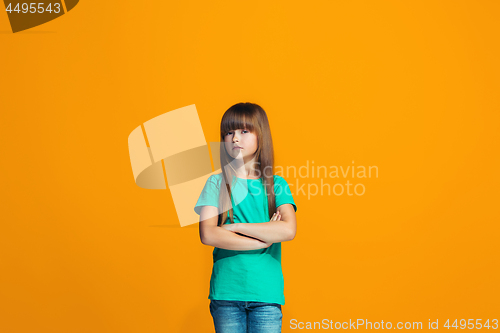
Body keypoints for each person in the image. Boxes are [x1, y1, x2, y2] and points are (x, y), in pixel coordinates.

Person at [194, 102, 298, 333]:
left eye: (244, 131)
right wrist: (264, 240)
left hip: (266, 292)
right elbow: (208, 233)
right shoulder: (216, 183)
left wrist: (234, 226)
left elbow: (288, 230)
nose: (234, 139)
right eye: (229, 132)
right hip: (227, 292)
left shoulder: (276, 185)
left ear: (261, 135)